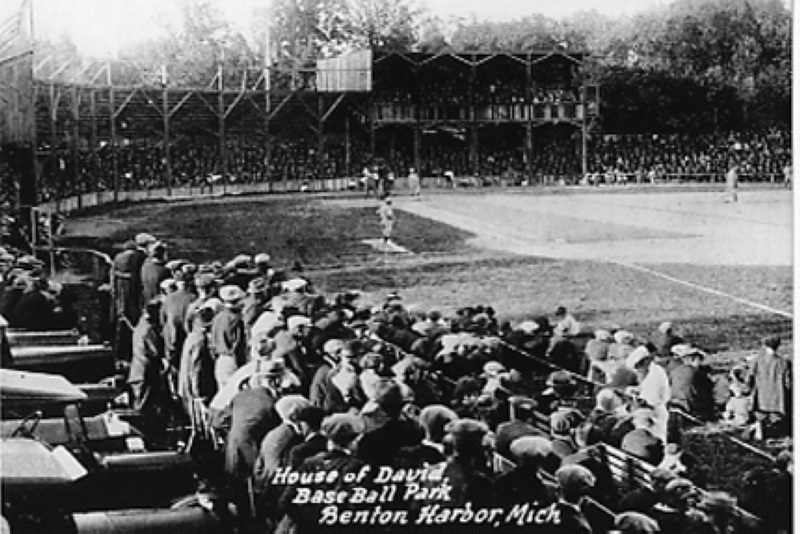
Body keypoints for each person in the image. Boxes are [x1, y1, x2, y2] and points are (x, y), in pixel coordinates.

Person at [749, 335, 791, 438]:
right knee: (776, 416)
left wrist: (749, 388)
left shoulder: (756, 360)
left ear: (765, 345)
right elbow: (788, 382)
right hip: (777, 396)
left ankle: (760, 431)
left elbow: (750, 376)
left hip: (761, 395)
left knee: (760, 414)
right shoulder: (784, 362)